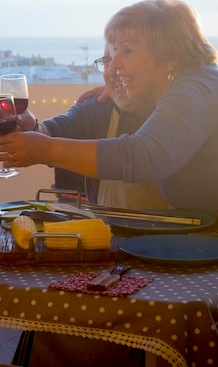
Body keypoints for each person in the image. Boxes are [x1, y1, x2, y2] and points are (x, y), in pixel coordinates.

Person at [0, 0, 218, 367]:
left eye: (127, 51)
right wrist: (39, 130)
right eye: (110, 53)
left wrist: (44, 148)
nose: (114, 63)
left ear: (170, 56)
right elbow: (75, 123)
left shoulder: (198, 88)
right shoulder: (160, 93)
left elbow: (143, 156)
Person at [12, 45, 171, 367]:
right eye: (107, 60)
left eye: (125, 56)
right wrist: (28, 128)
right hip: (109, 244)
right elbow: (51, 131)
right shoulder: (98, 108)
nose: (114, 68)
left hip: (170, 245)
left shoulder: (177, 112)